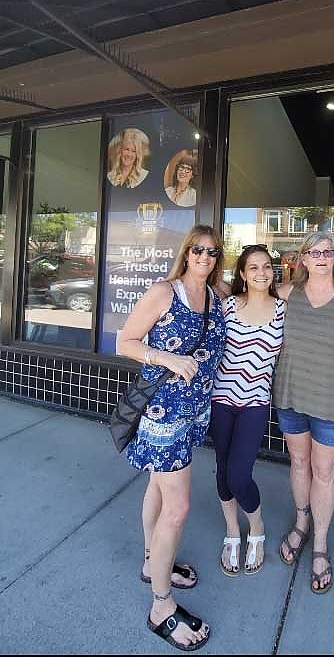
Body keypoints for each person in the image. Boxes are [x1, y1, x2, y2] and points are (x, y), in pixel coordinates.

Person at [118, 224, 226, 651]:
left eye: (213, 251)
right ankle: (161, 606)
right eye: (197, 249)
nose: (204, 256)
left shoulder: (215, 299)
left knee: (159, 493)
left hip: (195, 414)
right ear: (186, 252)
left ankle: (151, 563)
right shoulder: (164, 292)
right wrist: (163, 356)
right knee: (178, 507)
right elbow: (125, 340)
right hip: (164, 417)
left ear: (219, 258)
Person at [273, 230, 334, 594]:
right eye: (313, 252)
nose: (321, 257)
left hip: (331, 400)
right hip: (292, 393)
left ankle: (321, 543)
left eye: (327, 252)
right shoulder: (285, 294)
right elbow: (248, 304)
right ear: (302, 259)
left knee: (324, 471)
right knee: (299, 463)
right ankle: (301, 523)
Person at [209, 245, 285, 577]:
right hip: (221, 401)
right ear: (242, 273)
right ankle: (231, 533)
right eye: (252, 268)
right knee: (223, 472)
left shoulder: (284, 308)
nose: (260, 273)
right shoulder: (227, 306)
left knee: (240, 475)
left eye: (266, 267)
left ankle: (256, 527)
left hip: (255, 403)